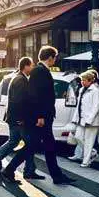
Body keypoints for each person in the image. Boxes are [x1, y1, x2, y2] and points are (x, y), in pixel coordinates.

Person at [27, 46, 75, 184]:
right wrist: (40, 116)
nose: (55, 60)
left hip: (44, 115)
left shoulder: (40, 70)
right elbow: (37, 95)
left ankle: (56, 176)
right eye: (55, 57)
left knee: (37, 145)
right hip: (42, 116)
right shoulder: (40, 71)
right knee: (46, 145)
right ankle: (57, 176)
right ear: (50, 58)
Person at [0, 57, 37, 176]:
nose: (33, 67)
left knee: (16, 142)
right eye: (32, 65)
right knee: (28, 144)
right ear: (26, 66)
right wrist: (20, 118)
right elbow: (18, 101)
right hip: (18, 119)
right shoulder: (21, 80)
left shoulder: (18, 77)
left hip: (14, 117)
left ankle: (29, 169)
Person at [69, 70, 99, 167]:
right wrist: (75, 118)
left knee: (89, 141)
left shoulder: (96, 90)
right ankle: (92, 152)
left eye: (84, 80)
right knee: (78, 137)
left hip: (91, 121)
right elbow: (78, 106)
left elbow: (96, 107)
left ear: (90, 81)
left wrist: (90, 120)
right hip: (81, 119)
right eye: (81, 80)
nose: (82, 82)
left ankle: (86, 161)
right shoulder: (82, 90)